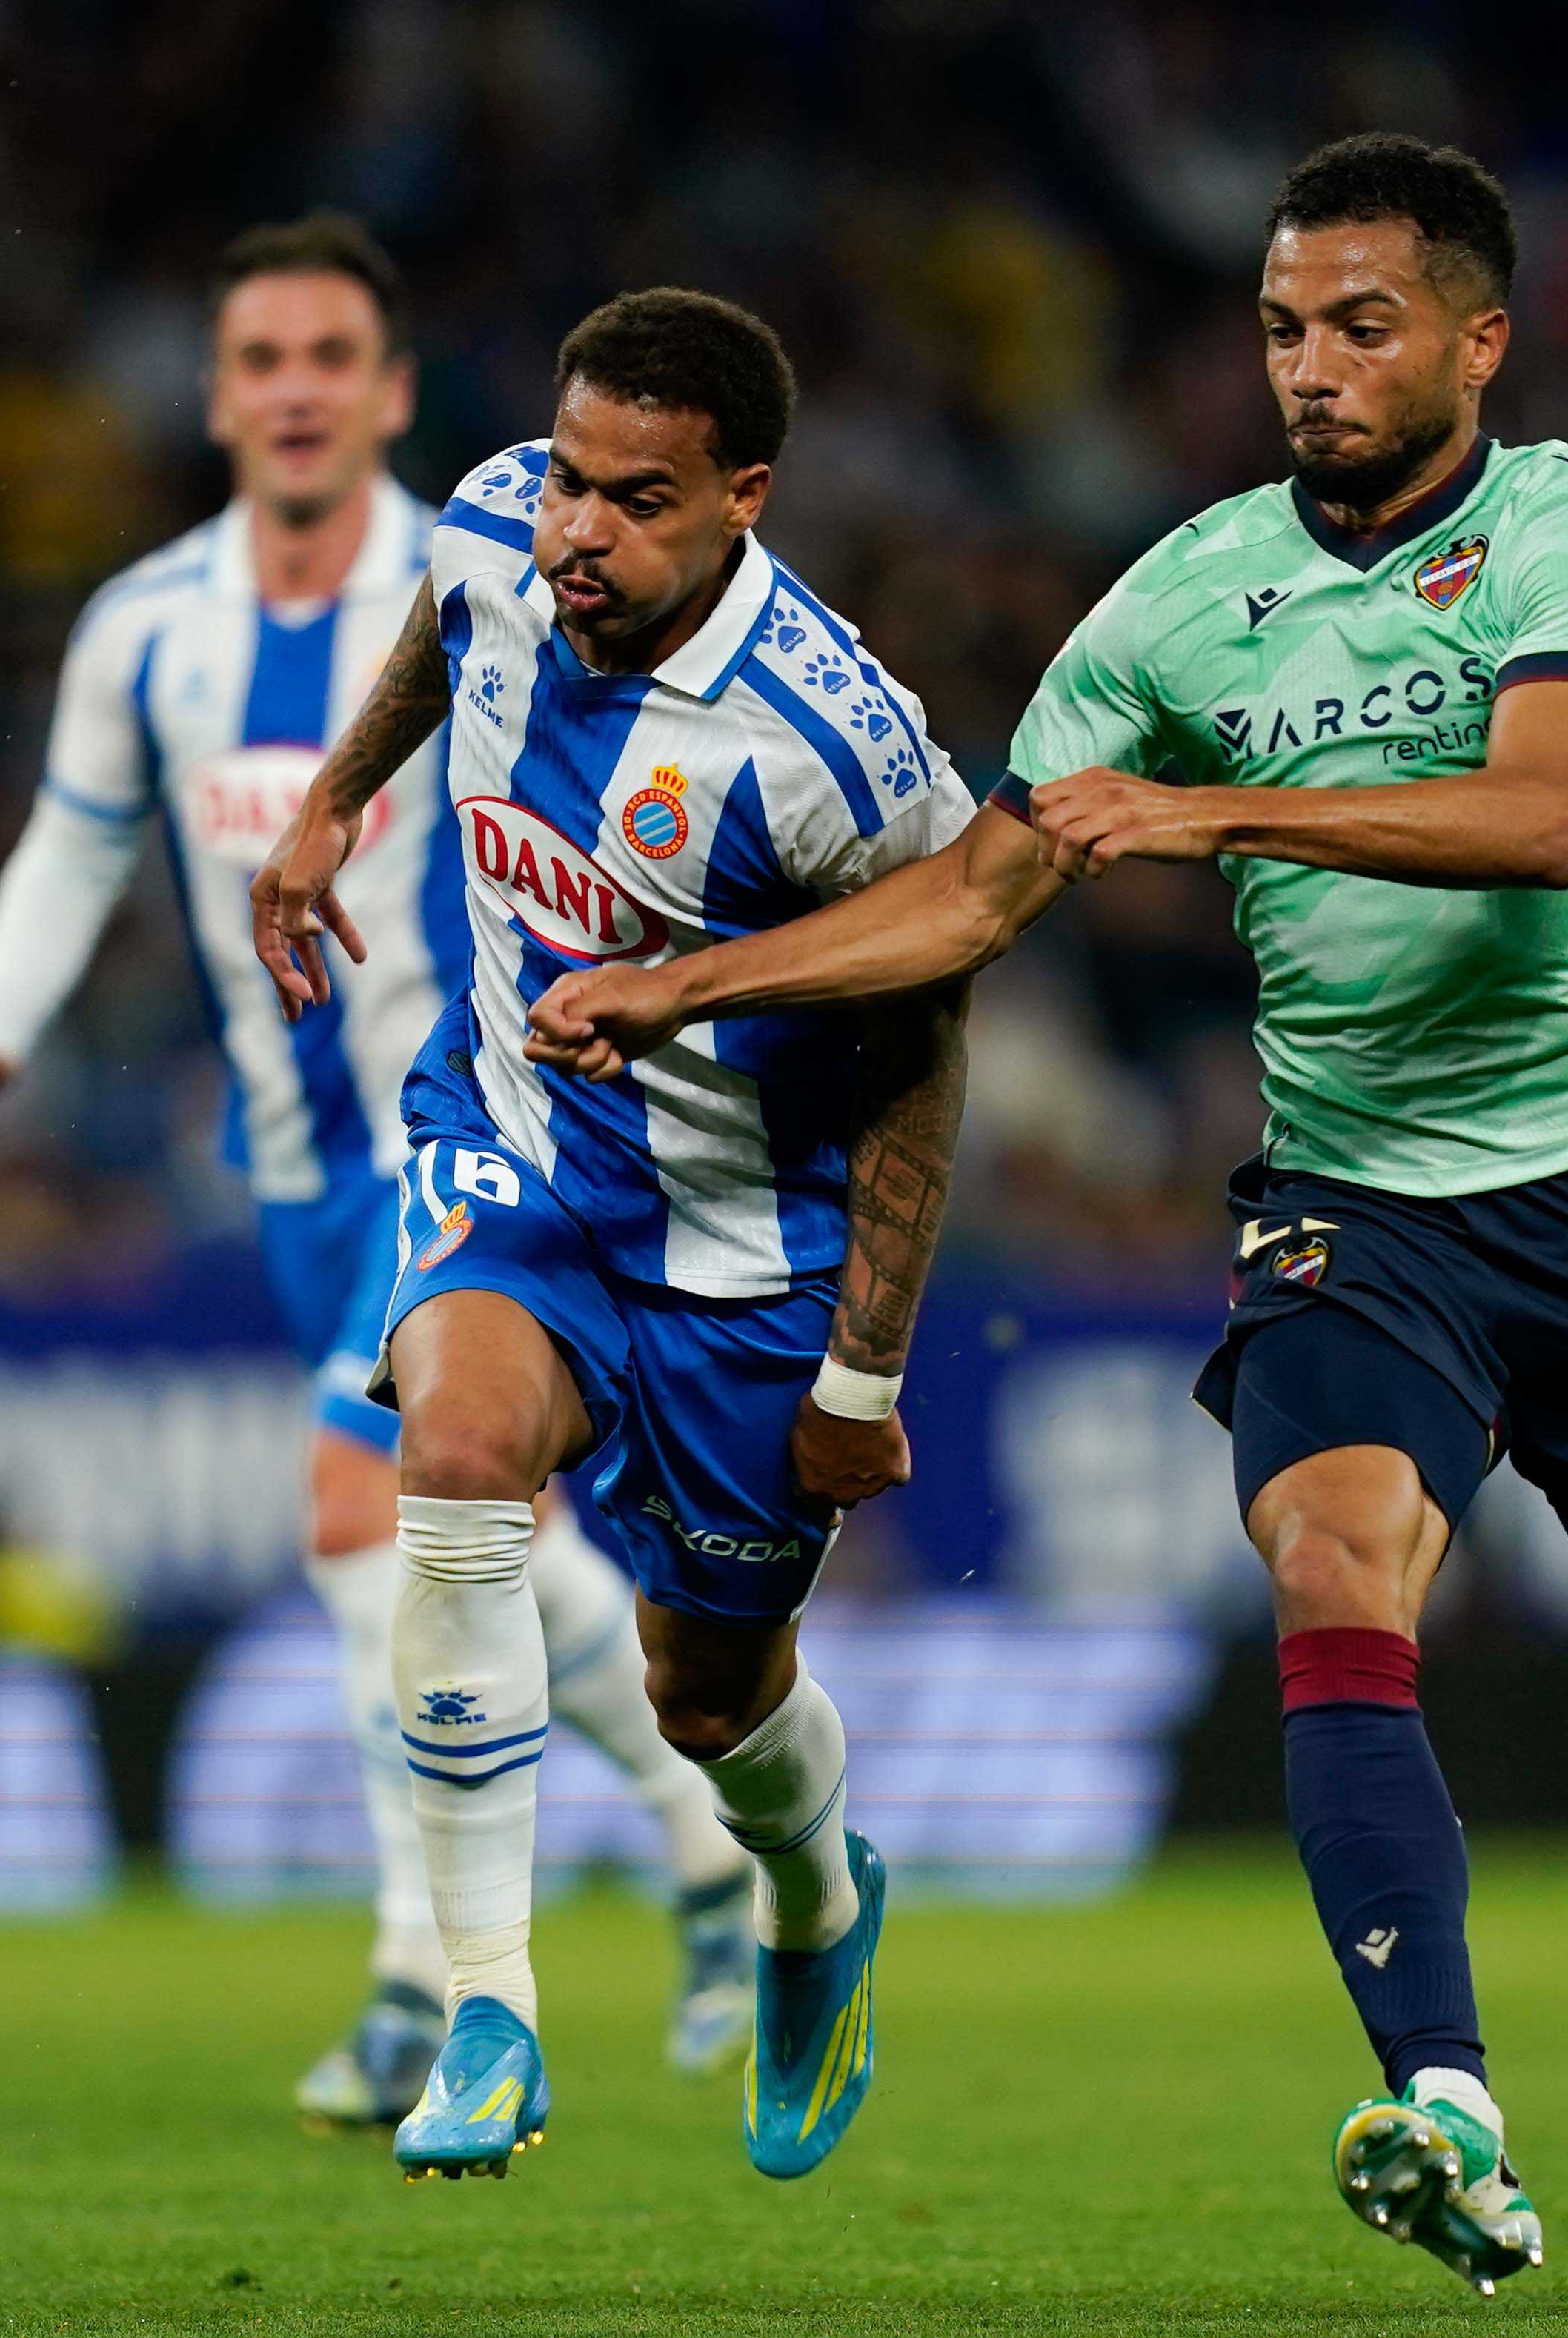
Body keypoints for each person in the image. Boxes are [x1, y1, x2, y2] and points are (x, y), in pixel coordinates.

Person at [520, 140, 1568, 2289]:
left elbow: (1543, 813)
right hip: (1354, 1206)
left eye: (1361, 325)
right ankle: (1447, 2102)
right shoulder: (1181, 594)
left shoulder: (1567, 532)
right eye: (1281, 329)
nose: (1306, 366)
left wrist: (1208, 805)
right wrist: (692, 974)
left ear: (1475, 342)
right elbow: (977, 889)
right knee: (1328, 1556)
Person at [0, 219, 755, 2126]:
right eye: (258, 355)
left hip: (479, 1130)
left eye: (329, 354)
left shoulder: (497, 575)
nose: (292, 388)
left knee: (366, 1523)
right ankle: (697, 1858)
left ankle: (421, 1983)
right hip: (288, 1166)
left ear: (390, 390)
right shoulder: (146, 632)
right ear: (216, 393)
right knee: (475, 1555)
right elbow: (67, 849)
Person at [254, 287, 975, 2185]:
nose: (580, 529)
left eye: (636, 501)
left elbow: (921, 1048)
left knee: (706, 1697)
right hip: (517, 1146)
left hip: (747, 1249)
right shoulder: (502, 525)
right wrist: (333, 805)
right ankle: (489, 2008)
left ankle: (815, 1907)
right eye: (572, 478)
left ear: (743, 497)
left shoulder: (832, 746)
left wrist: (864, 1366)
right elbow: (444, 618)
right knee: (461, 1448)